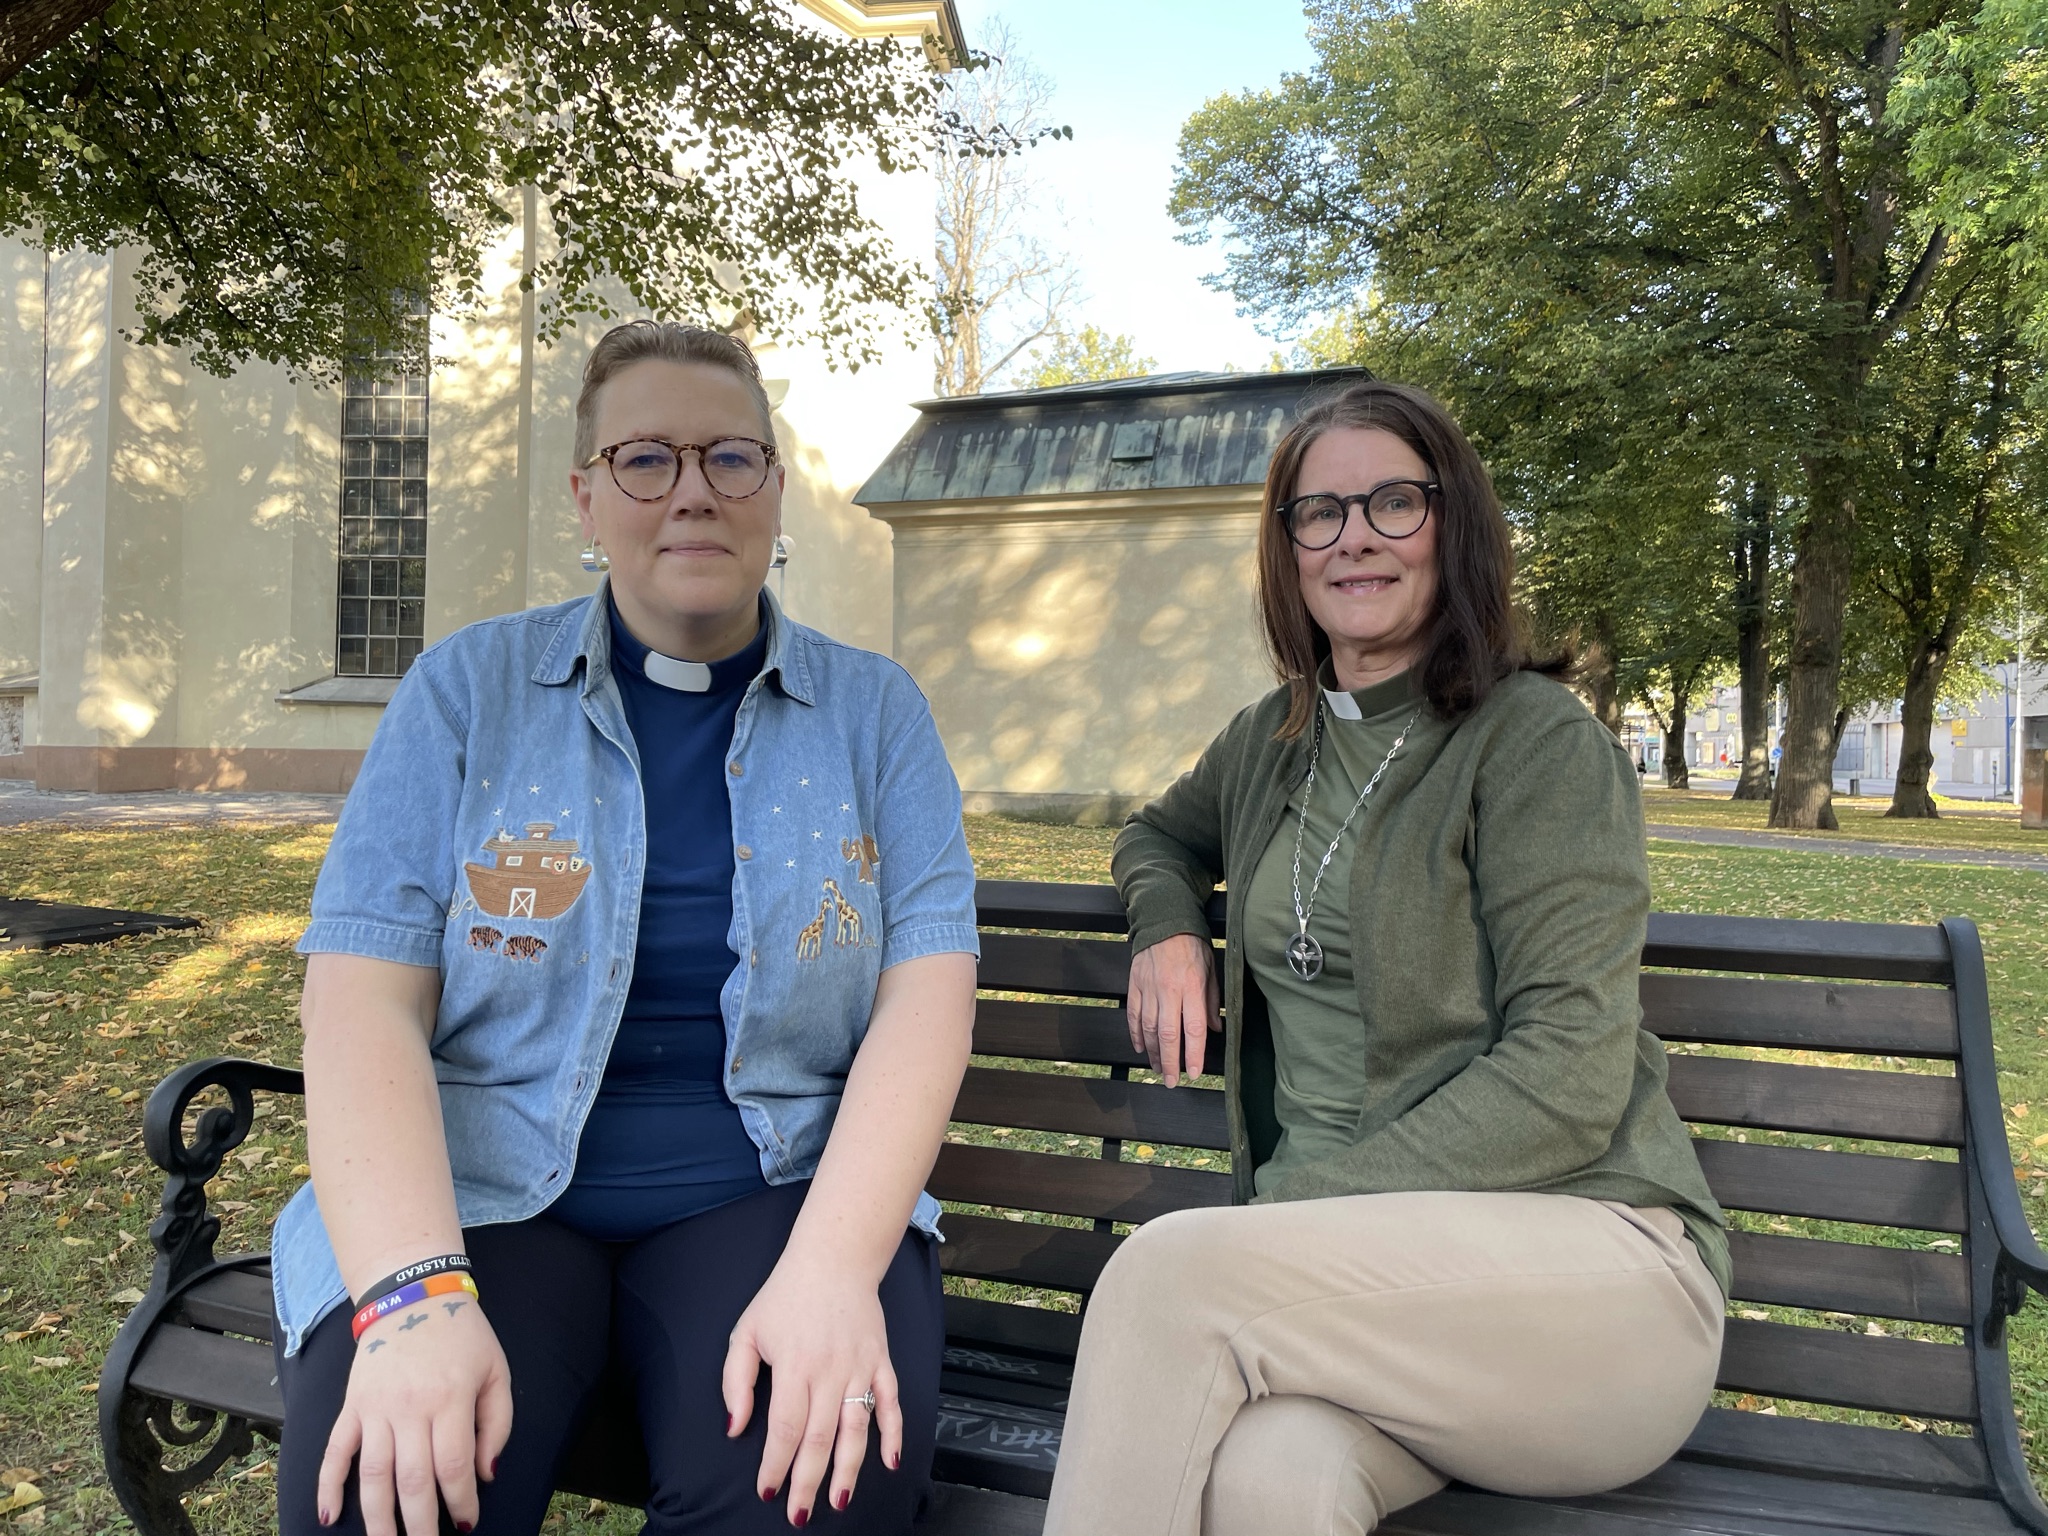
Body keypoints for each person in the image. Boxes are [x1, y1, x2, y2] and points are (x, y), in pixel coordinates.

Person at [272, 321, 980, 1536]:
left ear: (773, 486)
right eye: (646, 460)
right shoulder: (466, 693)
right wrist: (412, 1298)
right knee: (383, 1504)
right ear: (588, 497)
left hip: (771, 1196)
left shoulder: (875, 714)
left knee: (807, 1495)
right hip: (481, 1192)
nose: (692, 493)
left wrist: (827, 1272)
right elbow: (359, 1002)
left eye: (730, 459)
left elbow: (925, 994)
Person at [1041, 381, 1729, 1536]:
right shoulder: (1275, 738)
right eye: (1318, 513)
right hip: (1357, 1310)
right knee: (1274, 1477)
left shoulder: (1532, 745)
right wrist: (1165, 923)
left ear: (1449, 526)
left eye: (1391, 503)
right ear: (1288, 552)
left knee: (1169, 1276)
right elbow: (1156, 833)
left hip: (1593, 1286)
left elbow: (1566, 1076)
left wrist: (1282, 1214)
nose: (1352, 534)